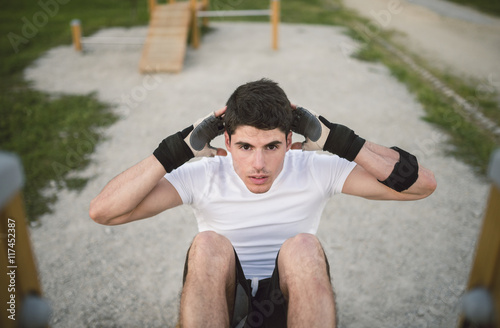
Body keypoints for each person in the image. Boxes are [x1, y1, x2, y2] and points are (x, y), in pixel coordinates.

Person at [89, 78, 437, 328]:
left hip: (288, 301)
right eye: (245, 147)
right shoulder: (207, 172)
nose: (259, 164)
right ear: (226, 141)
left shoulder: (313, 168)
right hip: (224, 297)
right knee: (207, 244)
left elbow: (421, 185)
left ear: (289, 140)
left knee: (304, 246)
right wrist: (175, 150)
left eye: (271, 147)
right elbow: (104, 211)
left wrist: (340, 141)